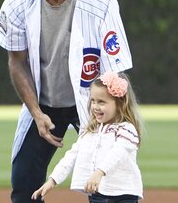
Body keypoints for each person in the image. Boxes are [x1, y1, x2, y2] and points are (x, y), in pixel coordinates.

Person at [0, 0, 133, 203]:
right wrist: (35, 112)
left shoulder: (100, 0)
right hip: (43, 102)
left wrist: (107, 117)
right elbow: (16, 62)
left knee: (105, 185)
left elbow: (114, 69)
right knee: (24, 186)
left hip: (93, 103)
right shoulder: (18, 1)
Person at [32, 71, 143, 203]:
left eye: (101, 102)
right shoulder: (90, 131)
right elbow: (71, 157)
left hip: (124, 195)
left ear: (120, 103)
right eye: (93, 101)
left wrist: (99, 172)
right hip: (97, 194)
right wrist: (52, 180)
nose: (95, 107)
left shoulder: (126, 129)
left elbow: (118, 152)